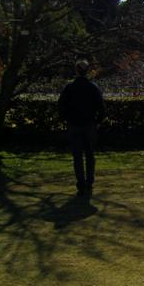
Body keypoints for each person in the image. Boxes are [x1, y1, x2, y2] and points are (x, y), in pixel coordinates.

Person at [58, 59, 106, 197]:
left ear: (76, 70)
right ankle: (89, 182)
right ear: (87, 71)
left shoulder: (69, 87)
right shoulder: (93, 87)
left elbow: (61, 106)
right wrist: (97, 121)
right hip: (89, 125)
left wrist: (66, 119)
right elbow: (102, 108)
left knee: (77, 157)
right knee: (90, 155)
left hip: (74, 125)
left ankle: (81, 184)